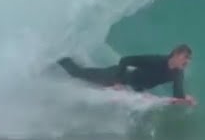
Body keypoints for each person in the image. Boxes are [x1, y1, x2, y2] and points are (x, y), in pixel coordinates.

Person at [55, 44, 196, 105]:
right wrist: (117, 81)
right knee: (77, 73)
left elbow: (177, 95)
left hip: (133, 87)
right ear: (176, 55)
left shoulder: (177, 74)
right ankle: (57, 58)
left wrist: (185, 99)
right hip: (118, 76)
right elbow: (126, 60)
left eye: (189, 59)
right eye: (185, 57)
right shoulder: (157, 60)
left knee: (83, 76)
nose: (187, 61)